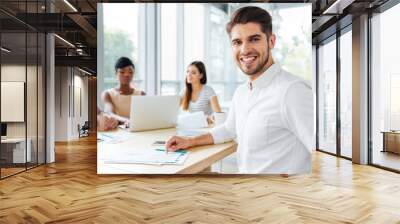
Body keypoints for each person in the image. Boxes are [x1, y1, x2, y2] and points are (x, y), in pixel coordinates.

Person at [166, 6, 314, 174]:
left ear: (271, 41)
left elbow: (319, 155)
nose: (244, 49)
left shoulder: (293, 91)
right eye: (237, 42)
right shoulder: (242, 92)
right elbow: (229, 129)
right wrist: (190, 141)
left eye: (254, 39)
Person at [102, 57, 145, 126]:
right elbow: (109, 113)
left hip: (137, 130)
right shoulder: (108, 94)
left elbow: (145, 115)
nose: (127, 75)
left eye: (130, 72)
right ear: (116, 73)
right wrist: (127, 121)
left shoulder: (141, 94)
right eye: (122, 72)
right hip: (117, 131)